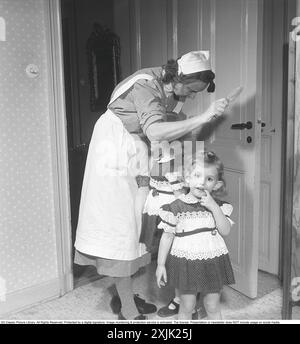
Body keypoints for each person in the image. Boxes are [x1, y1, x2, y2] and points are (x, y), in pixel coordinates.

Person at [74, 50, 229, 320]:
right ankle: (127, 308)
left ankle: (127, 296)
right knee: (120, 227)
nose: (192, 96)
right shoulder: (147, 85)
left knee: (136, 224)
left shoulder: (167, 88)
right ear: (180, 79)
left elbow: (170, 128)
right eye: (192, 90)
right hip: (114, 151)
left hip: (132, 148)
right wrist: (204, 116)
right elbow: (155, 131)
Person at [156, 151, 235, 320]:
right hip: (186, 262)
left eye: (209, 179)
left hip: (212, 260)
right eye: (197, 175)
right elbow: (167, 237)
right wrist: (161, 264)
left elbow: (225, 230)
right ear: (187, 178)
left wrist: (213, 207)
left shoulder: (219, 207)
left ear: (217, 184)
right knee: (187, 306)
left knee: (212, 306)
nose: (202, 182)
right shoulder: (175, 208)